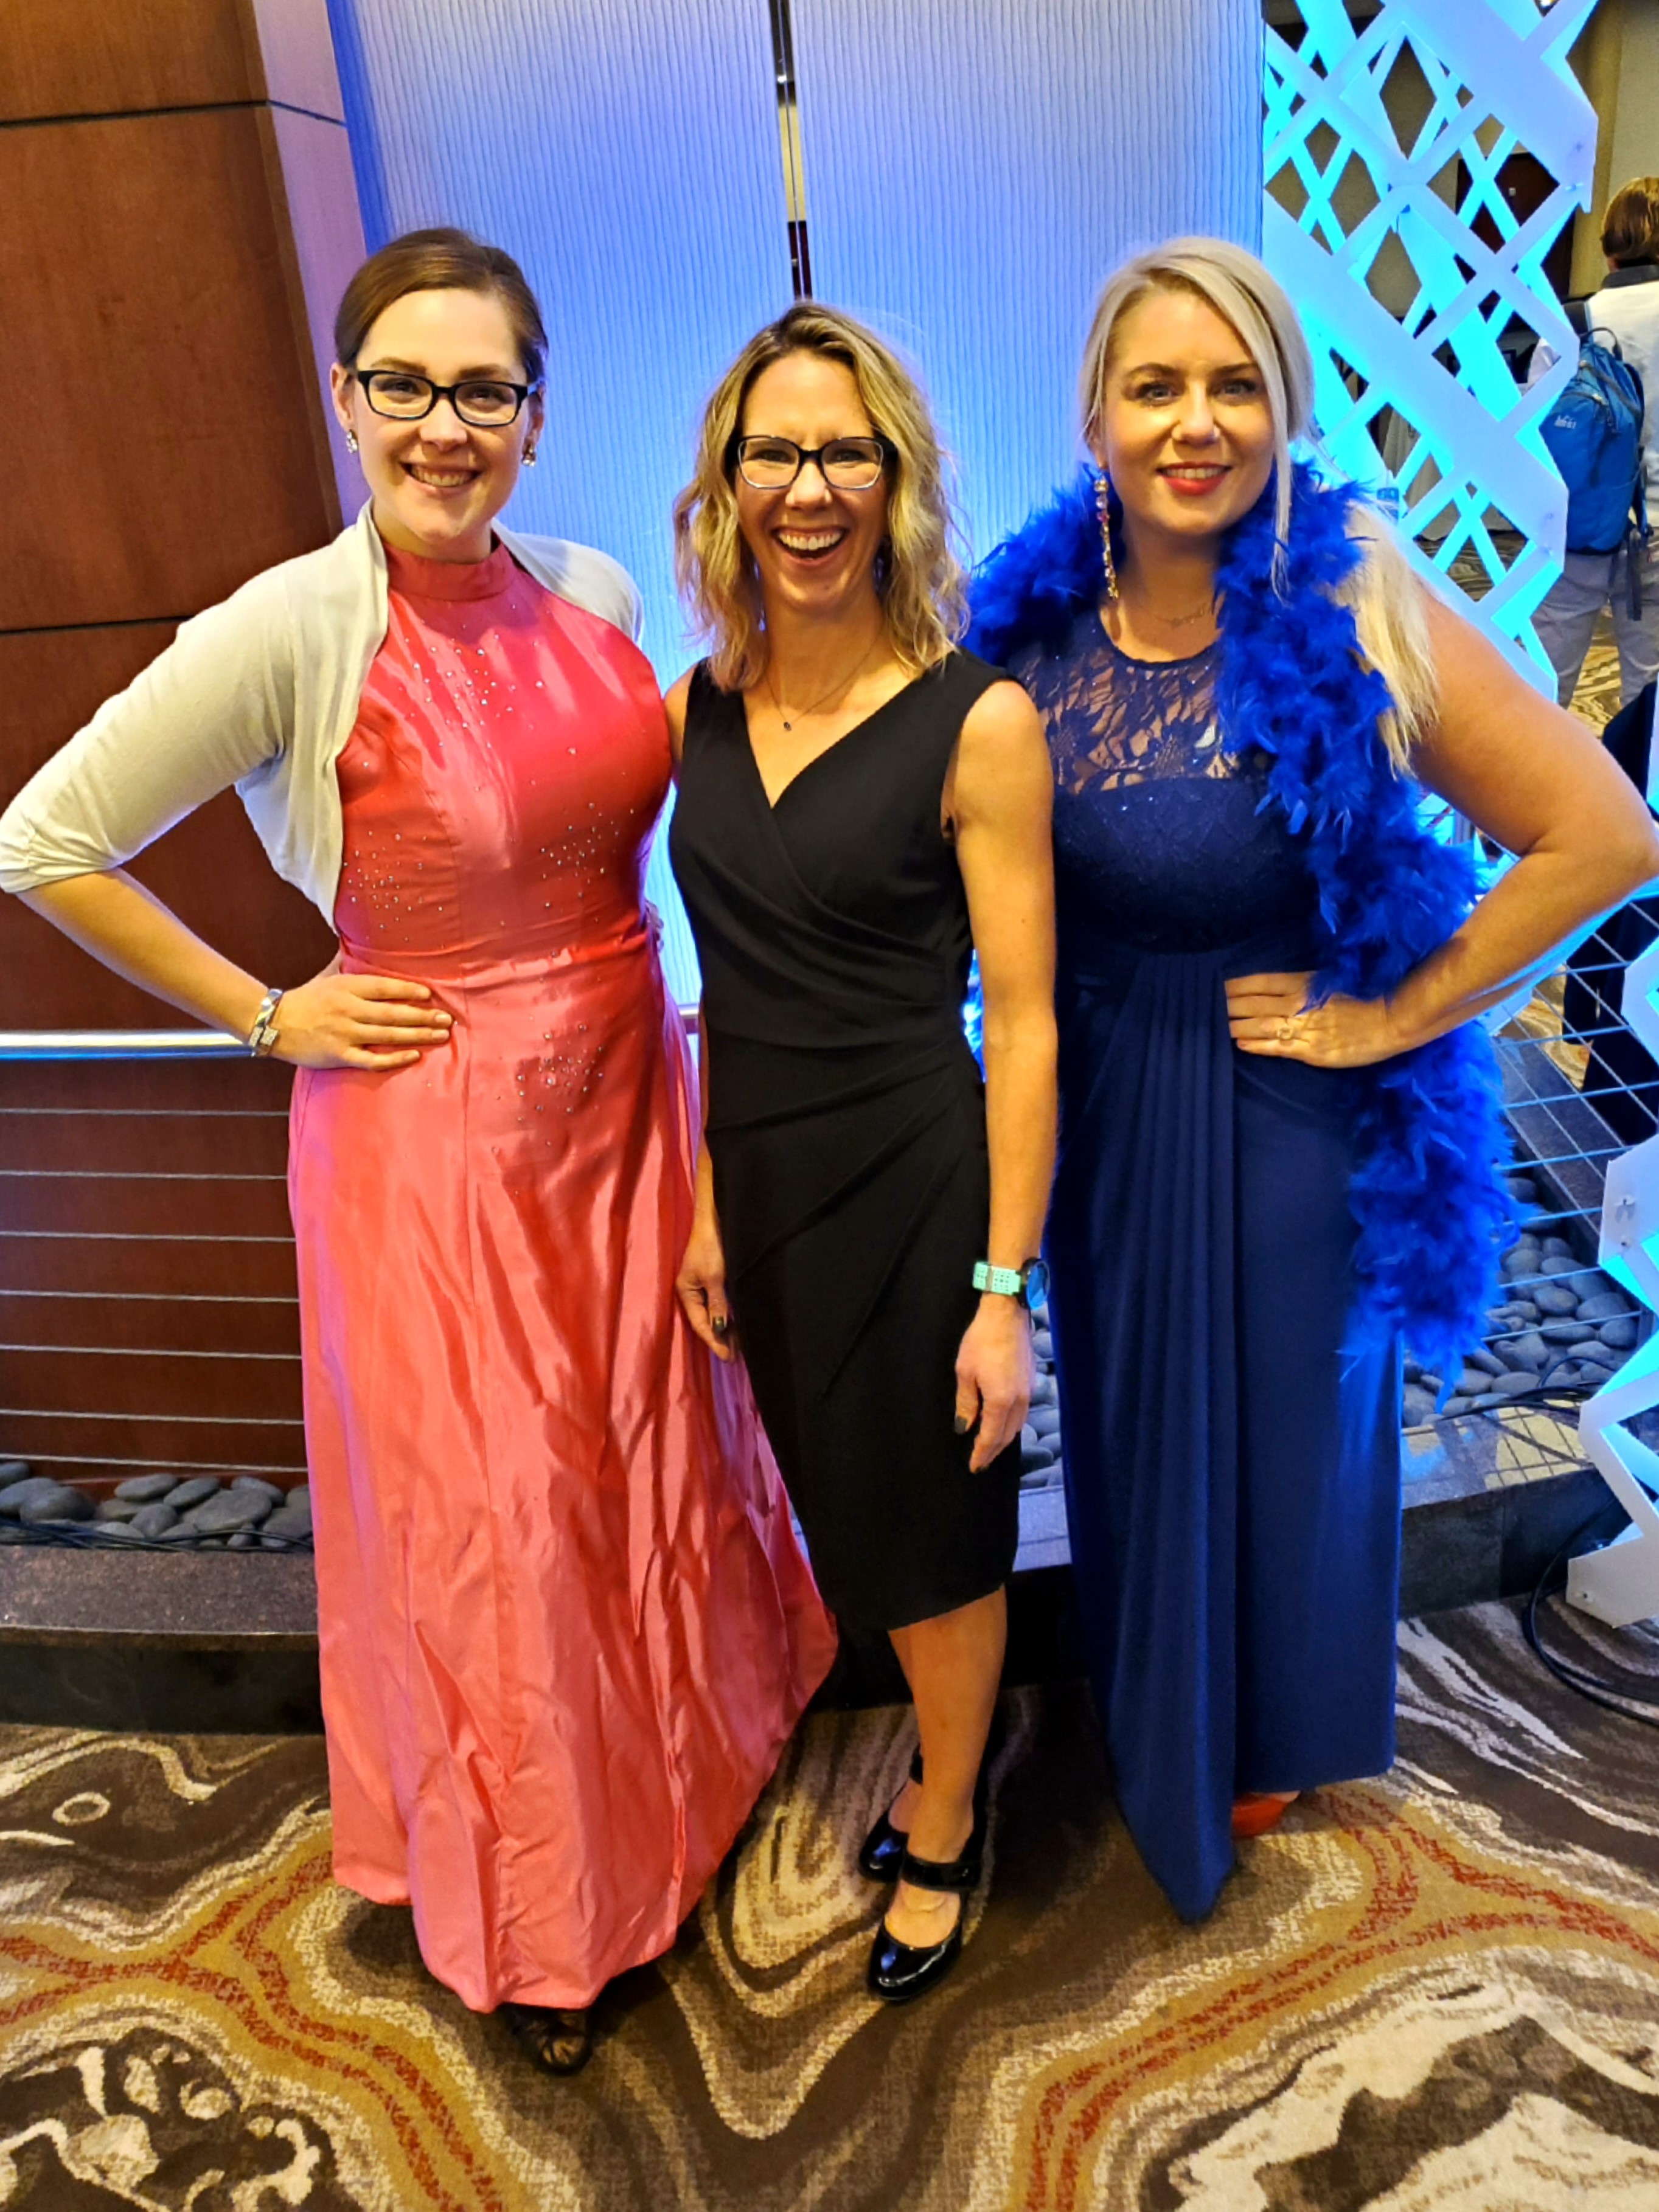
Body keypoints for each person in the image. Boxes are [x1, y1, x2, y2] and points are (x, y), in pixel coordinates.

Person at [0, 228, 835, 2071]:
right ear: (346, 397)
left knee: (649, 1462)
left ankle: (686, 1791)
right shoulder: (295, 623)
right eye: (405, 385)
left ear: (536, 415)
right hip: (436, 1143)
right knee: (507, 1529)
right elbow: (40, 839)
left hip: (631, 1083)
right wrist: (266, 1006)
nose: (442, 426)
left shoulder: (594, 580)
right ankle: (547, 1912)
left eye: (482, 390)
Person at [970, 237, 1659, 1922]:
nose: (1192, 423)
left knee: (1284, 1434)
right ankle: (1154, 1693)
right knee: (1130, 1418)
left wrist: (1394, 1014)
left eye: (1232, 386)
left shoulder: (1350, 595)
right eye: (1155, 387)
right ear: (1091, 415)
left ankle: (1263, 1725)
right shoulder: (1030, 625)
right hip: (1109, 1092)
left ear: (1281, 407)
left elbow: (1597, 832)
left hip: (1285, 1101)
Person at [666, 303, 1056, 2002]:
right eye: (775, 452)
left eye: (841, 451)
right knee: (851, 1517)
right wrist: (698, 1200)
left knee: (933, 1530)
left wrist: (1000, 1289)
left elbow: (1025, 1025)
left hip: (912, 1185)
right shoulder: (700, 698)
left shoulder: (975, 721)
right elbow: (716, 986)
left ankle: (953, 1804)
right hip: (757, 1174)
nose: (806, 487)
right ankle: (932, 1754)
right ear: (727, 481)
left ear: (892, 475)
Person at [1529, 176, 1659, 709]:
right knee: (1648, 695)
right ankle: (1636, 791)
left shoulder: (1571, 325)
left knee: (1544, 685)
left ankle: (1537, 787)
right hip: (1657, 529)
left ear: (1608, 249)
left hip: (1575, 528)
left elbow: (1533, 431)